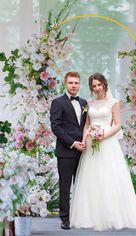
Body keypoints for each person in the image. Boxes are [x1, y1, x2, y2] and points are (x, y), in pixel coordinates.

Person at [70, 73, 136, 231]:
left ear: (104, 84)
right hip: (91, 143)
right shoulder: (89, 103)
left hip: (107, 142)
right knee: (92, 178)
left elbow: (118, 125)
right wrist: (84, 141)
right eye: (94, 86)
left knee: (109, 176)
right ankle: (89, 216)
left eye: (99, 85)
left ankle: (113, 216)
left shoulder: (114, 103)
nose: (97, 88)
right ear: (91, 88)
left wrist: (103, 136)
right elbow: (87, 125)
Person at [50, 71, 87, 230]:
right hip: (66, 151)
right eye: (71, 82)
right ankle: (65, 219)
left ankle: (81, 217)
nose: (74, 85)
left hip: (84, 151)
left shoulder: (85, 103)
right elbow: (56, 127)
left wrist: (84, 142)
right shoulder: (58, 102)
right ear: (65, 84)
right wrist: (73, 143)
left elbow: (86, 126)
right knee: (65, 186)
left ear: (79, 84)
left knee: (81, 185)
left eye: (76, 83)